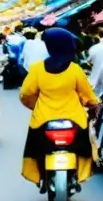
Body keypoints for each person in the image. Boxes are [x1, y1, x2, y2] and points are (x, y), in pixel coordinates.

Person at [19, 28, 98, 190]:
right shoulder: (75, 69)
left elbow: (25, 94)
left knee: (35, 148)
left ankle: (39, 175)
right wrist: (93, 105)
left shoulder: (37, 69)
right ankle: (79, 174)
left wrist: (36, 107)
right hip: (74, 121)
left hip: (43, 120)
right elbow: (88, 96)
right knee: (84, 146)